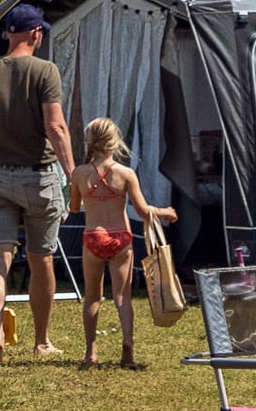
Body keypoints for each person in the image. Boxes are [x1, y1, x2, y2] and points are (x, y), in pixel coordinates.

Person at [0, 3, 76, 361]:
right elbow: (55, 127)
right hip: (38, 177)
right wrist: (73, 174)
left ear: (9, 34)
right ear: (36, 33)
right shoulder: (45, 71)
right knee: (41, 260)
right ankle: (41, 340)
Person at [69, 117, 177, 369]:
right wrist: (163, 212)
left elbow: (75, 208)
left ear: (89, 141)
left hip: (93, 237)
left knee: (92, 297)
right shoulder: (126, 174)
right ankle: (127, 344)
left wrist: (87, 197)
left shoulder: (80, 173)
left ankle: (90, 351)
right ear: (115, 142)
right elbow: (141, 210)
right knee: (122, 297)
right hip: (120, 237)